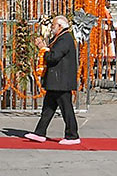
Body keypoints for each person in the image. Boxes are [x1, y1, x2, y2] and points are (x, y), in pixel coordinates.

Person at [25, 15, 80, 145]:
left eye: (54, 25)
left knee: (66, 109)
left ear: (60, 26)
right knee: (48, 108)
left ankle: (72, 135)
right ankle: (40, 132)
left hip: (61, 81)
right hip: (56, 81)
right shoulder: (59, 38)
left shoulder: (65, 39)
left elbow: (53, 57)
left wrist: (43, 49)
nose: (52, 27)